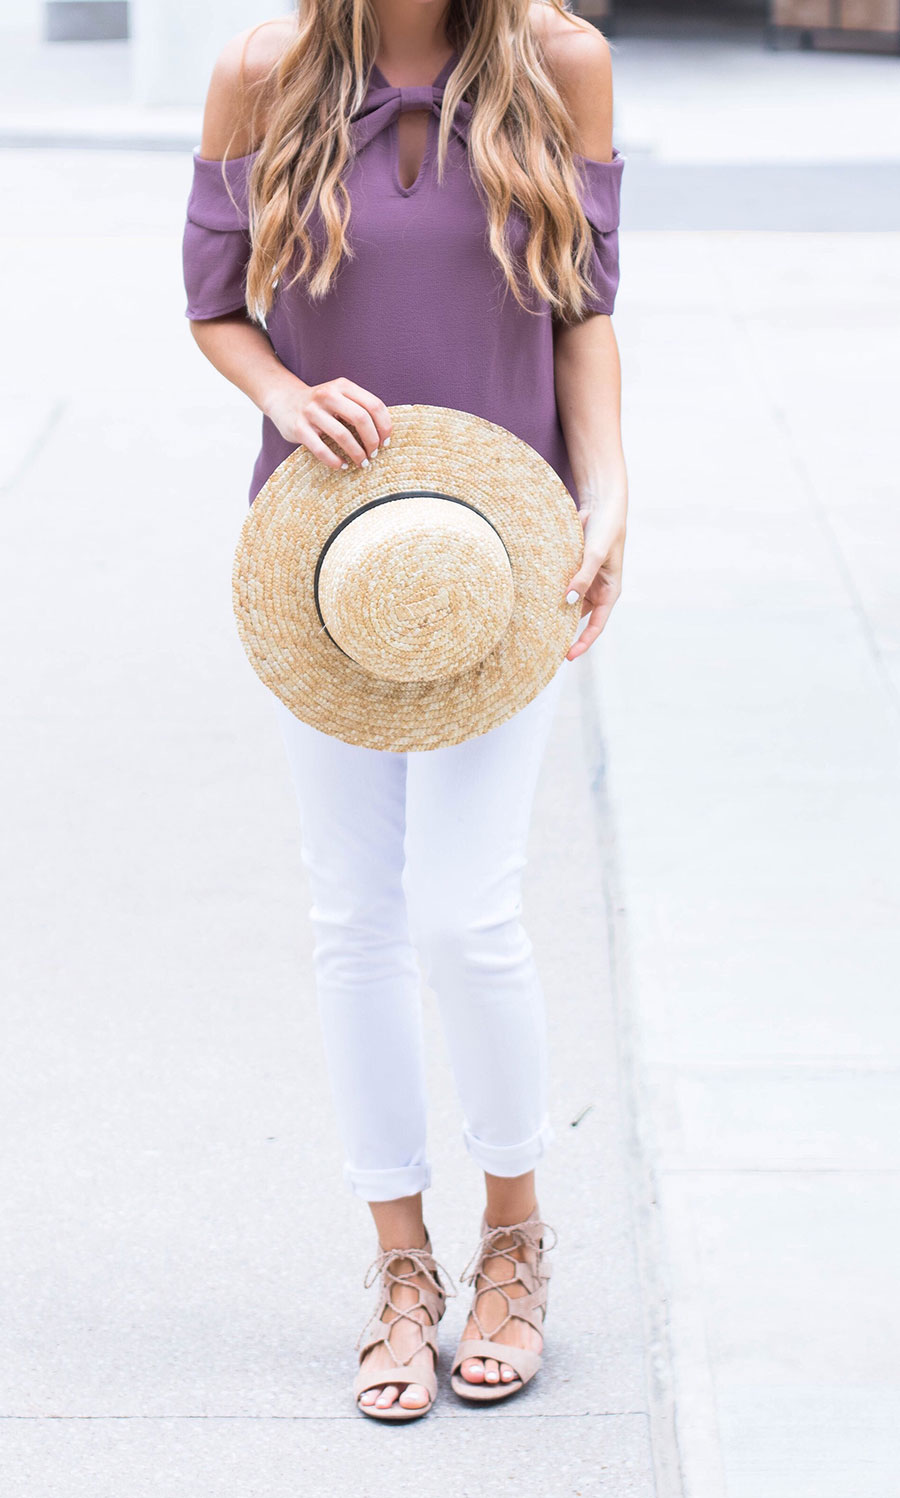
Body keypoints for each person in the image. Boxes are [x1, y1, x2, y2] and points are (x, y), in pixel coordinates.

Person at [182, 0, 627, 1421]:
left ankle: (512, 1237)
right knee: (354, 915)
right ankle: (399, 1265)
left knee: (464, 907)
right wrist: (283, 388)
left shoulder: (563, 61)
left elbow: (585, 313)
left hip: (501, 553)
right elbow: (214, 307)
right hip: (334, 561)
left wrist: (611, 497)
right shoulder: (260, 69)